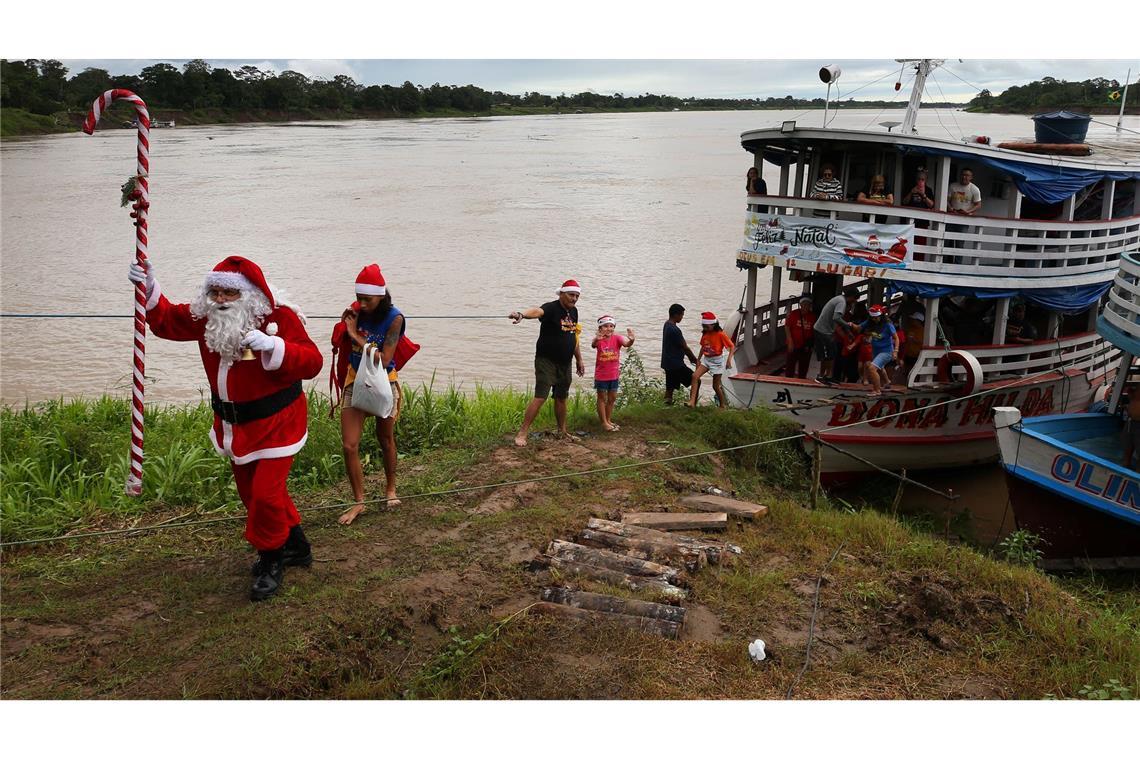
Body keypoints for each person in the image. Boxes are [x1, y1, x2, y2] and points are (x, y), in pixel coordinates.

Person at [128, 256, 323, 602]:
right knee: (253, 495)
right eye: (214, 291)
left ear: (248, 294)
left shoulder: (279, 317)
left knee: (264, 493)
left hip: (279, 423)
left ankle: (270, 558)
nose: (220, 299)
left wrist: (275, 347)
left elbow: (313, 362)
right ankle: (297, 545)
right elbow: (167, 321)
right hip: (235, 426)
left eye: (229, 292)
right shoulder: (206, 318)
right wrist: (148, 285)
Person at [334, 264, 405, 527]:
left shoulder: (395, 318)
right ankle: (359, 501)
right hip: (356, 379)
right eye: (359, 297)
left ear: (381, 296)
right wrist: (345, 328)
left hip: (383, 381)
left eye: (368, 299)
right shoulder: (356, 312)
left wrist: (355, 335)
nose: (362, 304)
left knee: (385, 439)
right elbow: (343, 339)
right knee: (349, 444)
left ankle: (390, 490)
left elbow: (385, 359)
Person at [509, 279, 585, 446]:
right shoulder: (552, 308)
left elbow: (574, 337)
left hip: (565, 363)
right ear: (562, 294)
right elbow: (537, 311)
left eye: (577, 296)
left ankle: (562, 432)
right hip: (546, 361)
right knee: (540, 396)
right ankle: (522, 433)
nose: (574, 299)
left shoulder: (574, 312)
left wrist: (579, 359)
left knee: (561, 398)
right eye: (571, 295)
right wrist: (522, 314)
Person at [592, 315, 635, 432]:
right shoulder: (598, 340)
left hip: (614, 374)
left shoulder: (617, 338)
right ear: (600, 328)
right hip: (601, 375)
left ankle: (608, 419)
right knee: (602, 398)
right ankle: (603, 423)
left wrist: (631, 339)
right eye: (605, 326)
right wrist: (597, 338)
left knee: (612, 398)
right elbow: (593, 344)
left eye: (611, 326)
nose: (609, 328)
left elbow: (626, 344)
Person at [812, 286, 859, 384]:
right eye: (855, 299)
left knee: (832, 353)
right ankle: (821, 376)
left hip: (827, 331)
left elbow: (838, 320)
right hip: (822, 330)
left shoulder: (839, 299)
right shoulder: (842, 302)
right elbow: (836, 318)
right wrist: (849, 326)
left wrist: (848, 332)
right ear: (851, 297)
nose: (854, 301)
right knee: (826, 355)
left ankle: (828, 375)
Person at [688, 312, 735, 409]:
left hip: (717, 361)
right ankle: (692, 402)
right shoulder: (705, 334)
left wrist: (729, 360)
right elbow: (703, 347)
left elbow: (731, 346)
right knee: (695, 376)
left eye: (707, 326)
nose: (705, 329)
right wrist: (698, 359)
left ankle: (722, 405)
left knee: (715, 386)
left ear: (714, 325)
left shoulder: (721, 335)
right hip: (707, 360)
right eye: (703, 326)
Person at [856, 304, 900, 397]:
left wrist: (895, 351)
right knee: (879, 369)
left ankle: (877, 390)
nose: (874, 319)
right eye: (873, 318)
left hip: (887, 351)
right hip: (876, 351)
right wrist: (850, 325)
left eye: (876, 318)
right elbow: (858, 328)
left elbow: (896, 338)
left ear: (881, 316)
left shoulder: (888, 324)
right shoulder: (870, 322)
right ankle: (887, 382)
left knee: (871, 368)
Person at [661, 303, 699, 405]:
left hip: (667, 362)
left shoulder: (666, 324)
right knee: (696, 380)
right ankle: (693, 404)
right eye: (681, 315)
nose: (682, 317)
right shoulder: (675, 330)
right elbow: (685, 347)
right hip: (676, 364)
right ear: (675, 315)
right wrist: (694, 359)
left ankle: (666, 405)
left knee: (670, 387)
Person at [946, 167, 982, 248]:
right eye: (963, 175)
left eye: (967, 175)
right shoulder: (953, 186)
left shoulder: (974, 189)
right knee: (946, 242)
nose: (964, 177)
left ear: (971, 177)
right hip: (951, 217)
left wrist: (968, 212)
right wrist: (950, 207)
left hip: (964, 220)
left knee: (960, 244)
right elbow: (946, 200)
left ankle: (957, 261)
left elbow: (978, 205)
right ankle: (945, 260)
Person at [783, 296, 815, 379]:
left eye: (808, 304)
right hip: (794, 344)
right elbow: (787, 327)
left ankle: (801, 380)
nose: (806, 306)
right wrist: (790, 341)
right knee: (790, 366)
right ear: (800, 305)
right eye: (804, 304)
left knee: (803, 367)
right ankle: (788, 381)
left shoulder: (813, 316)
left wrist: (812, 345)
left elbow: (814, 331)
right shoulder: (794, 314)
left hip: (805, 345)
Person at [1122, 385, 1140, 470]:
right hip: (1130, 422)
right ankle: (1124, 470)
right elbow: (1133, 399)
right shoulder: (1136, 388)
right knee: (1127, 449)